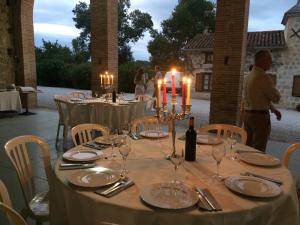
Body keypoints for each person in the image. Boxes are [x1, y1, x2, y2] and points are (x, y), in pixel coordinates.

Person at [243, 50, 281, 152]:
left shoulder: (248, 77)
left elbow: (259, 97)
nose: (271, 62)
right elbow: (276, 98)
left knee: (247, 147)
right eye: (269, 60)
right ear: (262, 60)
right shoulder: (264, 77)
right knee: (258, 150)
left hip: (247, 115)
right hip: (259, 118)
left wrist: (273, 109)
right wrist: (273, 86)